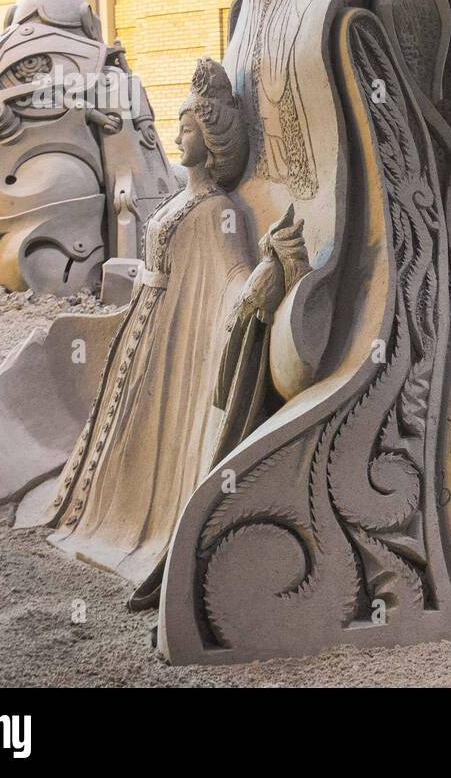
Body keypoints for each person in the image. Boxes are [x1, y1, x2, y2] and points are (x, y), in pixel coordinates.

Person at [47, 58, 307, 592]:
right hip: (144, 331)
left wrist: (269, 270)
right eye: (179, 125)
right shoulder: (180, 197)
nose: (177, 135)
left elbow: (230, 278)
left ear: (211, 139)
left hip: (168, 340)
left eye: (187, 127)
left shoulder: (216, 210)